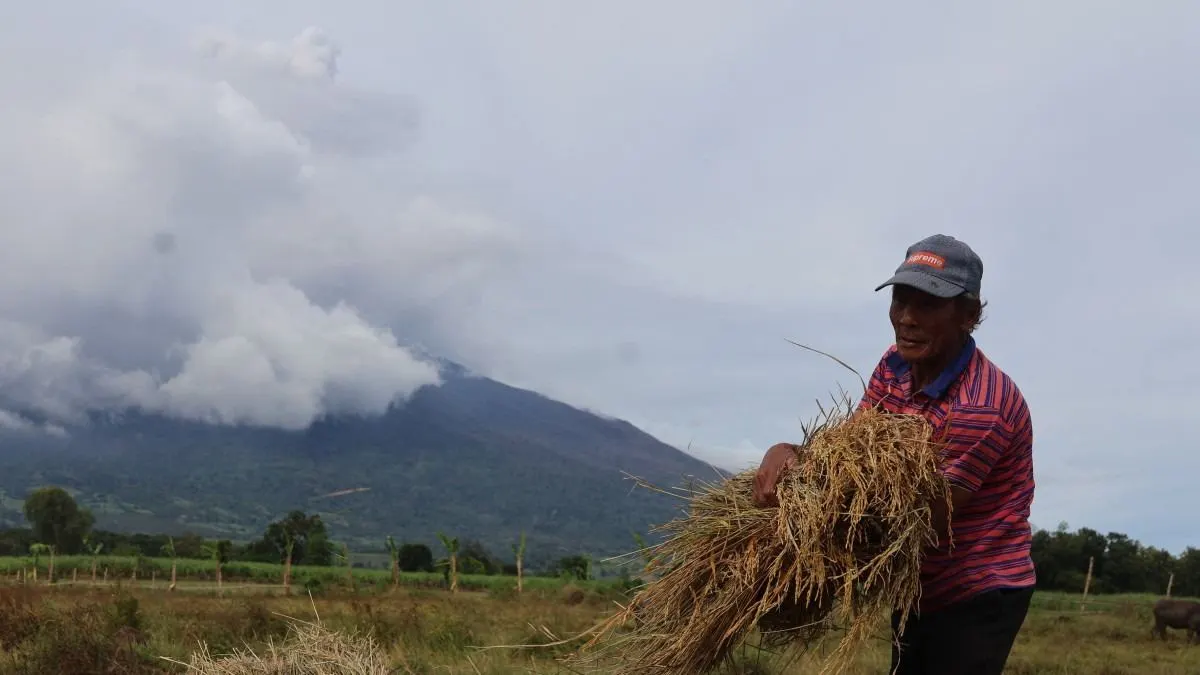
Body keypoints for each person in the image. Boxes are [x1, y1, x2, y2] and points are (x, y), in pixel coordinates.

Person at [752, 234, 1036, 675]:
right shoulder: (897, 363)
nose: (906, 318)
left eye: (927, 304)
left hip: (978, 590)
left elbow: (917, 520)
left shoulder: (981, 406)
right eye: (900, 300)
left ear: (970, 315)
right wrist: (789, 453)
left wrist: (805, 537)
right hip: (919, 584)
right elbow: (852, 454)